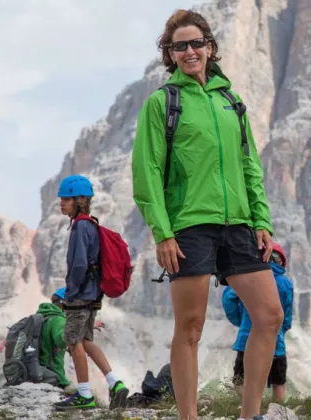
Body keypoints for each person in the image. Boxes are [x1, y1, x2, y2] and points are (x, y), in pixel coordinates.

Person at [131, 9, 283, 420]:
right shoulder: (163, 103)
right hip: (190, 225)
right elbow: (146, 173)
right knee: (192, 326)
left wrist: (262, 222)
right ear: (170, 54)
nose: (189, 51)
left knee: (270, 316)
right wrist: (163, 233)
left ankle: (250, 414)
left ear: (210, 47)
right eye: (179, 46)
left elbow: (250, 166)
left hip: (239, 224)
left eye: (196, 43)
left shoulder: (231, 102)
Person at [52, 175, 129, 411]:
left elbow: (78, 265)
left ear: (80, 200)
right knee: (85, 340)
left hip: (80, 295)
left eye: (66, 199)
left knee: (73, 341)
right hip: (94, 294)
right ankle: (114, 383)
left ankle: (84, 394)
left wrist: (68, 295)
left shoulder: (80, 227)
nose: (61, 203)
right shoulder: (91, 224)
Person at [223, 242, 293, 402]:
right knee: (278, 382)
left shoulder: (249, 278)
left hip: (247, 339)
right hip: (277, 342)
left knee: (241, 380)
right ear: (281, 261)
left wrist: (241, 321)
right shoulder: (285, 283)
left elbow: (229, 300)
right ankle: (279, 414)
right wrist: (283, 328)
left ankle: (251, 408)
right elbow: (287, 312)